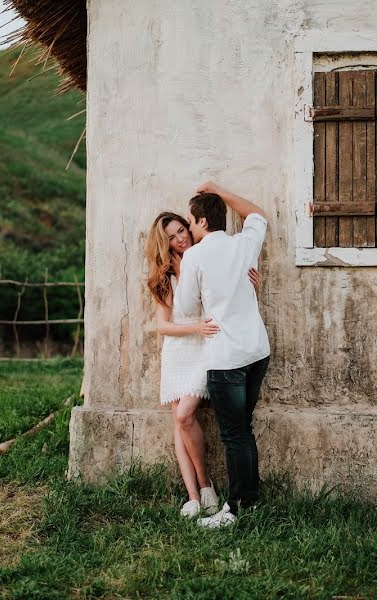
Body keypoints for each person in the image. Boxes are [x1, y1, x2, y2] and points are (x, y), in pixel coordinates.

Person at [145, 211, 261, 518]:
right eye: (172, 236)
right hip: (179, 349)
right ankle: (195, 496)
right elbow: (163, 326)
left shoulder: (205, 256)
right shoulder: (162, 275)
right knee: (179, 422)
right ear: (163, 242)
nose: (181, 237)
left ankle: (208, 485)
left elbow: (231, 295)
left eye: (183, 229)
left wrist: (254, 288)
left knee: (185, 414)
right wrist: (194, 327)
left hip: (206, 348)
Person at [173, 181, 270, 528]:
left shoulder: (195, 256)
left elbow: (184, 306)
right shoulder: (244, 244)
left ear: (200, 222)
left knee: (235, 434)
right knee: (243, 429)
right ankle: (249, 501)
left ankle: (238, 508)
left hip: (227, 358)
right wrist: (219, 190)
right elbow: (257, 214)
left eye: (190, 220)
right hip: (257, 352)